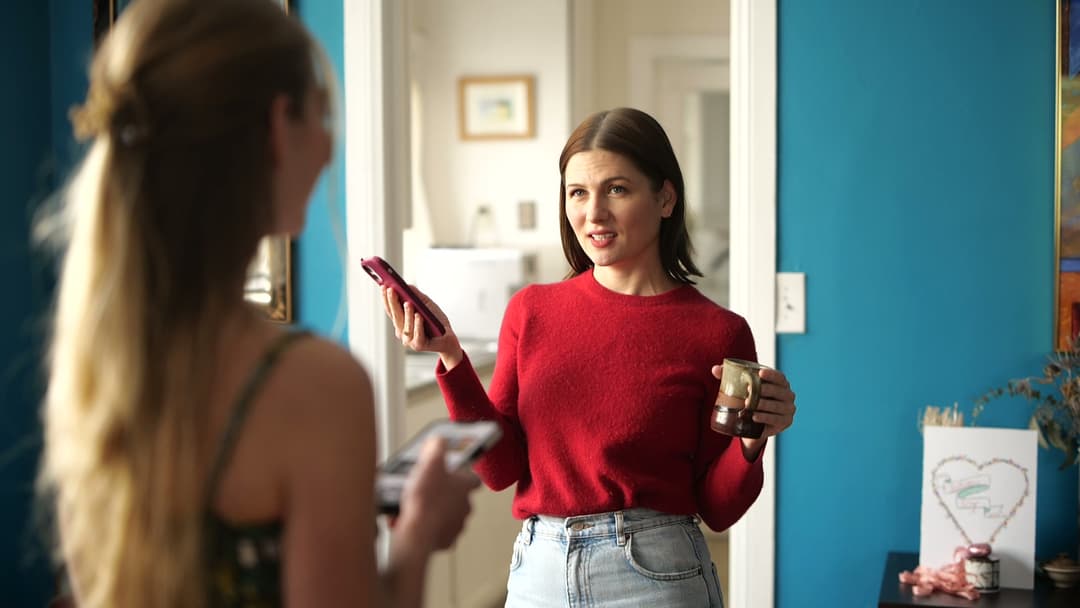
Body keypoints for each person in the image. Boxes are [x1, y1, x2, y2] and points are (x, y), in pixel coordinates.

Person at [35, 1, 478, 607]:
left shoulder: (93, 367)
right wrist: (419, 535)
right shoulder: (314, 383)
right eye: (323, 115)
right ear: (278, 128)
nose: (328, 147)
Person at [382, 107, 797, 607]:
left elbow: (718, 508)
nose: (593, 213)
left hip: (657, 576)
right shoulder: (531, 311)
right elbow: (500, 470)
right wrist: (450, 355)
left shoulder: (717, 331)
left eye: (616, 189)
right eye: (577, 192)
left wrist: (752, 442)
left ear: (665, 198)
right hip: (540, 572)